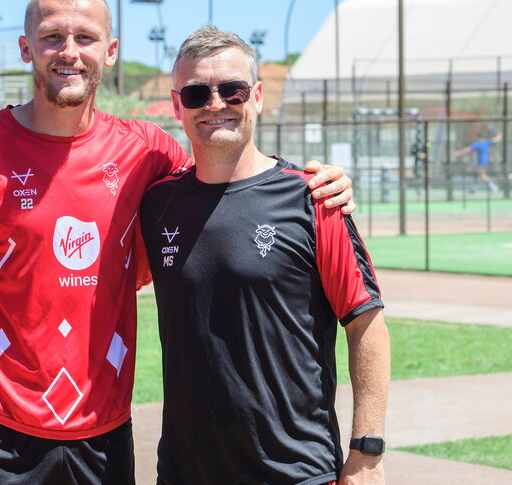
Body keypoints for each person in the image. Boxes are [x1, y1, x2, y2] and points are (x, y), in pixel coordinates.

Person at [0, 0, 356, 485]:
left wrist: (314, 180)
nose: (69, 52)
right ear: (25, 46)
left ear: (111, 51)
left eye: (86, 37)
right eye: (52, 36)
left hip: (105, 433)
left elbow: (228, 177)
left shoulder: (146, 151)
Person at [139, 26, 390, 485]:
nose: (215, 104)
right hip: (184, 472)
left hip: (294, 471)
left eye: (231, 89)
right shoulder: (156, 204)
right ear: (177, 106)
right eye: (196, 93)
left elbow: (366, 325)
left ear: (256, 96)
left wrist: (366, 453)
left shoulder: (313, 198)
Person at [453, 124, 503, 193]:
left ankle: (493, 187)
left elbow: (467, 149)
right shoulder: (486, 143)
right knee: (478, 175)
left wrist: (458, 153)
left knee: (482, 176)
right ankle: (475, 189)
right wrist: (499, 133)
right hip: (484, 162)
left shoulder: (478, 144)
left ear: (478, 137)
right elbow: (497, 139)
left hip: (481, 162)